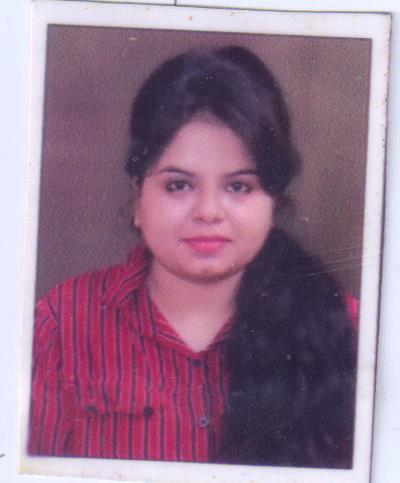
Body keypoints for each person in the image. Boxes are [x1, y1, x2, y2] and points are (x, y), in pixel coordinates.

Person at [28, 45, 357, 468]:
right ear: (138, 193)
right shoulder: (62, 325)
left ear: (273, 201)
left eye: (239, 187)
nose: (208, 212)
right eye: (178, 185)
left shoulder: (346, 328)